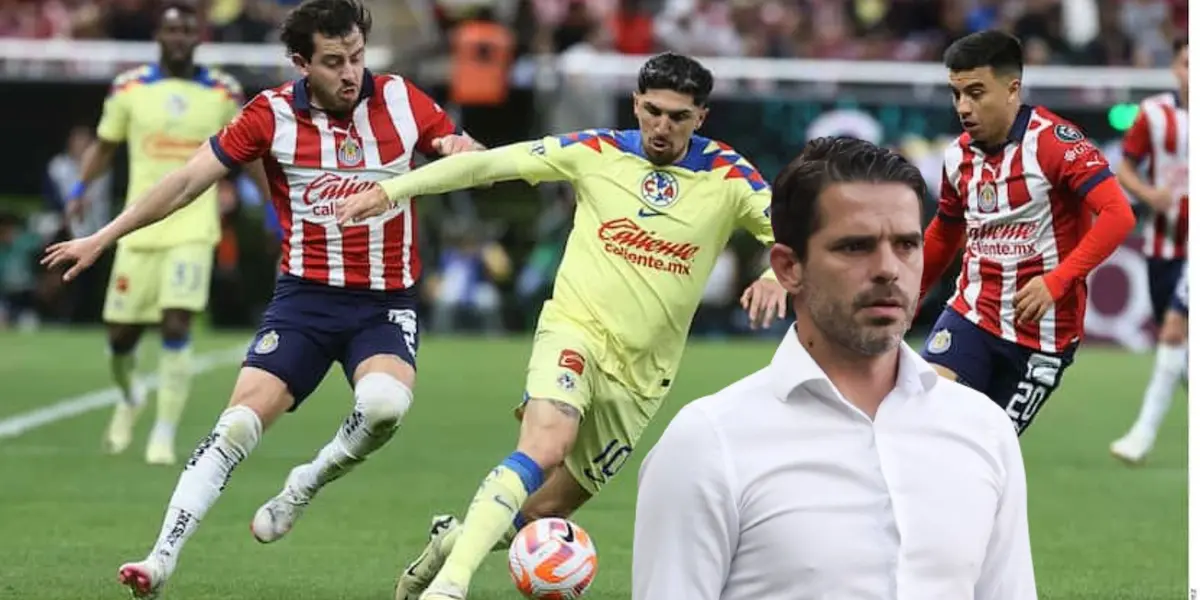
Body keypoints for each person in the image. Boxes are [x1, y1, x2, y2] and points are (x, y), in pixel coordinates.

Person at [41, 1, 480, 597]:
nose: (350, 72)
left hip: (383, 303)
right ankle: (160, 557)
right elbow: (187, 179)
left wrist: (462, 154)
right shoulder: (269, 114)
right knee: (236, 426)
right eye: (332, 62)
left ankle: (306, 481)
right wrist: (103, 235)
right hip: (304, 300)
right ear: (301, 63)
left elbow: (468, 153)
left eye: (356, 57)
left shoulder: (403, 99)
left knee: (383, 408)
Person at [337, 52, 789, 600]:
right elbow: (487, 165)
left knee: (545, 507)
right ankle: (450, 587)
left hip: (643, 376)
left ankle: (449, 546)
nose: (662, 127)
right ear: (635, 105)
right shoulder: (594, 151)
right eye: (652, 111)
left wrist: (776, 275)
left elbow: (791, 242)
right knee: (546, 444)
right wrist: (392, 190)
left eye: (678, 116)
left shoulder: (730, 176)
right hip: (575, 331)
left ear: (702, 118)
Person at [631, 136, 1036, 600]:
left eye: (906, 244)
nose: (888, 269)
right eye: (855, 247)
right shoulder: (707, 442)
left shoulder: (983, 429)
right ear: (788, 268)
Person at [919, 30, 1136, 435]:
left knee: (985, 455)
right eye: (957, 94)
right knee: (924, 423)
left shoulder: (1054, 143)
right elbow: (944, 234)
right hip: (971, 314)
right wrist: (908, 301)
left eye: (976, 92)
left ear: (1011, 89)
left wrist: (1056, 282)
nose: (964, 107)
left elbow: (1117, 214)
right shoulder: (956, 157)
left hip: (1043, 338)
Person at [66, 2, 256, 465]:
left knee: (176, 321)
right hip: (138, 228)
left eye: (187, 30)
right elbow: (106, 145)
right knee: (120, 338)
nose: (178, 37)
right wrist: (79, 188)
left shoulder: (222, 90)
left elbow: (248, 153)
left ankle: (164, 434)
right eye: (171, 29)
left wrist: (274, 207)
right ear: (159, 35)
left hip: (193, 226)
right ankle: (130, 396)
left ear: (198, 37)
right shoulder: (129, 88)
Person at [1110, 37, 1189, 464]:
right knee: (1175, 341)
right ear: (1175, 68)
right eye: (1186, 64)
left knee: (1175, 329)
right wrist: (1148, 194)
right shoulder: (1155, 115)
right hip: (1164, 245)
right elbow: (1125, 167)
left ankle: (1141, 436)